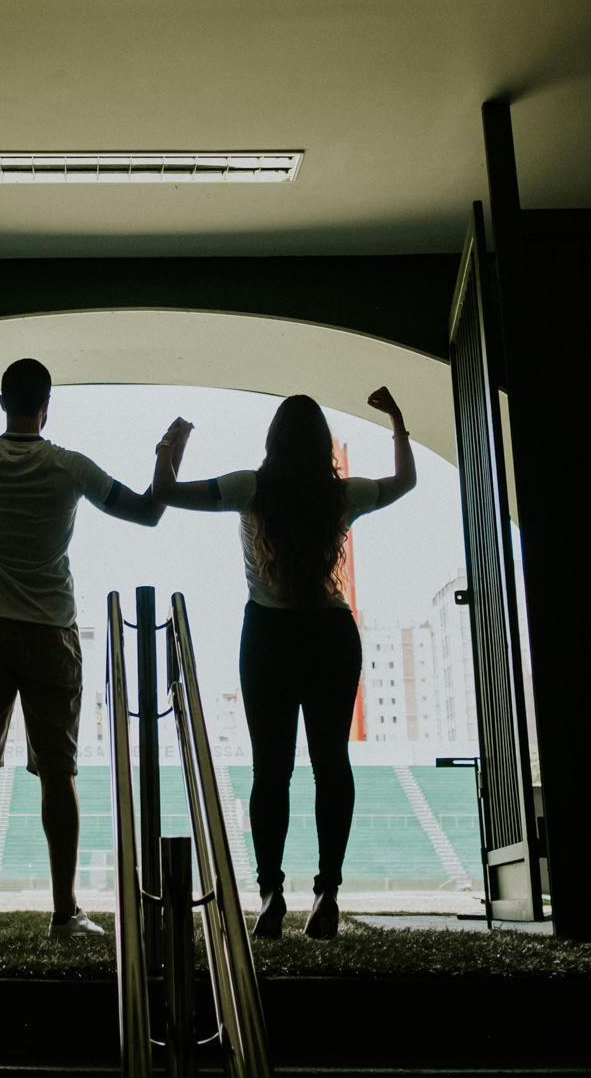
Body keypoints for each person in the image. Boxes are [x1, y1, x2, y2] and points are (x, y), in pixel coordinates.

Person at [0, 352, 166, 939]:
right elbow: (146, 512)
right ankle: (65, 914)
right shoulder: (70, 467)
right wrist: (166, 465)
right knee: (58, 773)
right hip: (50, 634)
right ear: (46, 408)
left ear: (2, 403)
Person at [151, 389, 415, 939]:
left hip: (269, 636)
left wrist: (171, 445)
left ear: (272, 441)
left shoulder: (251, 487)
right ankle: (328, 893)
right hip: (330, 635)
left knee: (271, 769)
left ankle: (271, 891)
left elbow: (167, 492)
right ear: (323, 446)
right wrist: (395, 421)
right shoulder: (342, 494)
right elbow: (403, 482)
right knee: (330, 762)